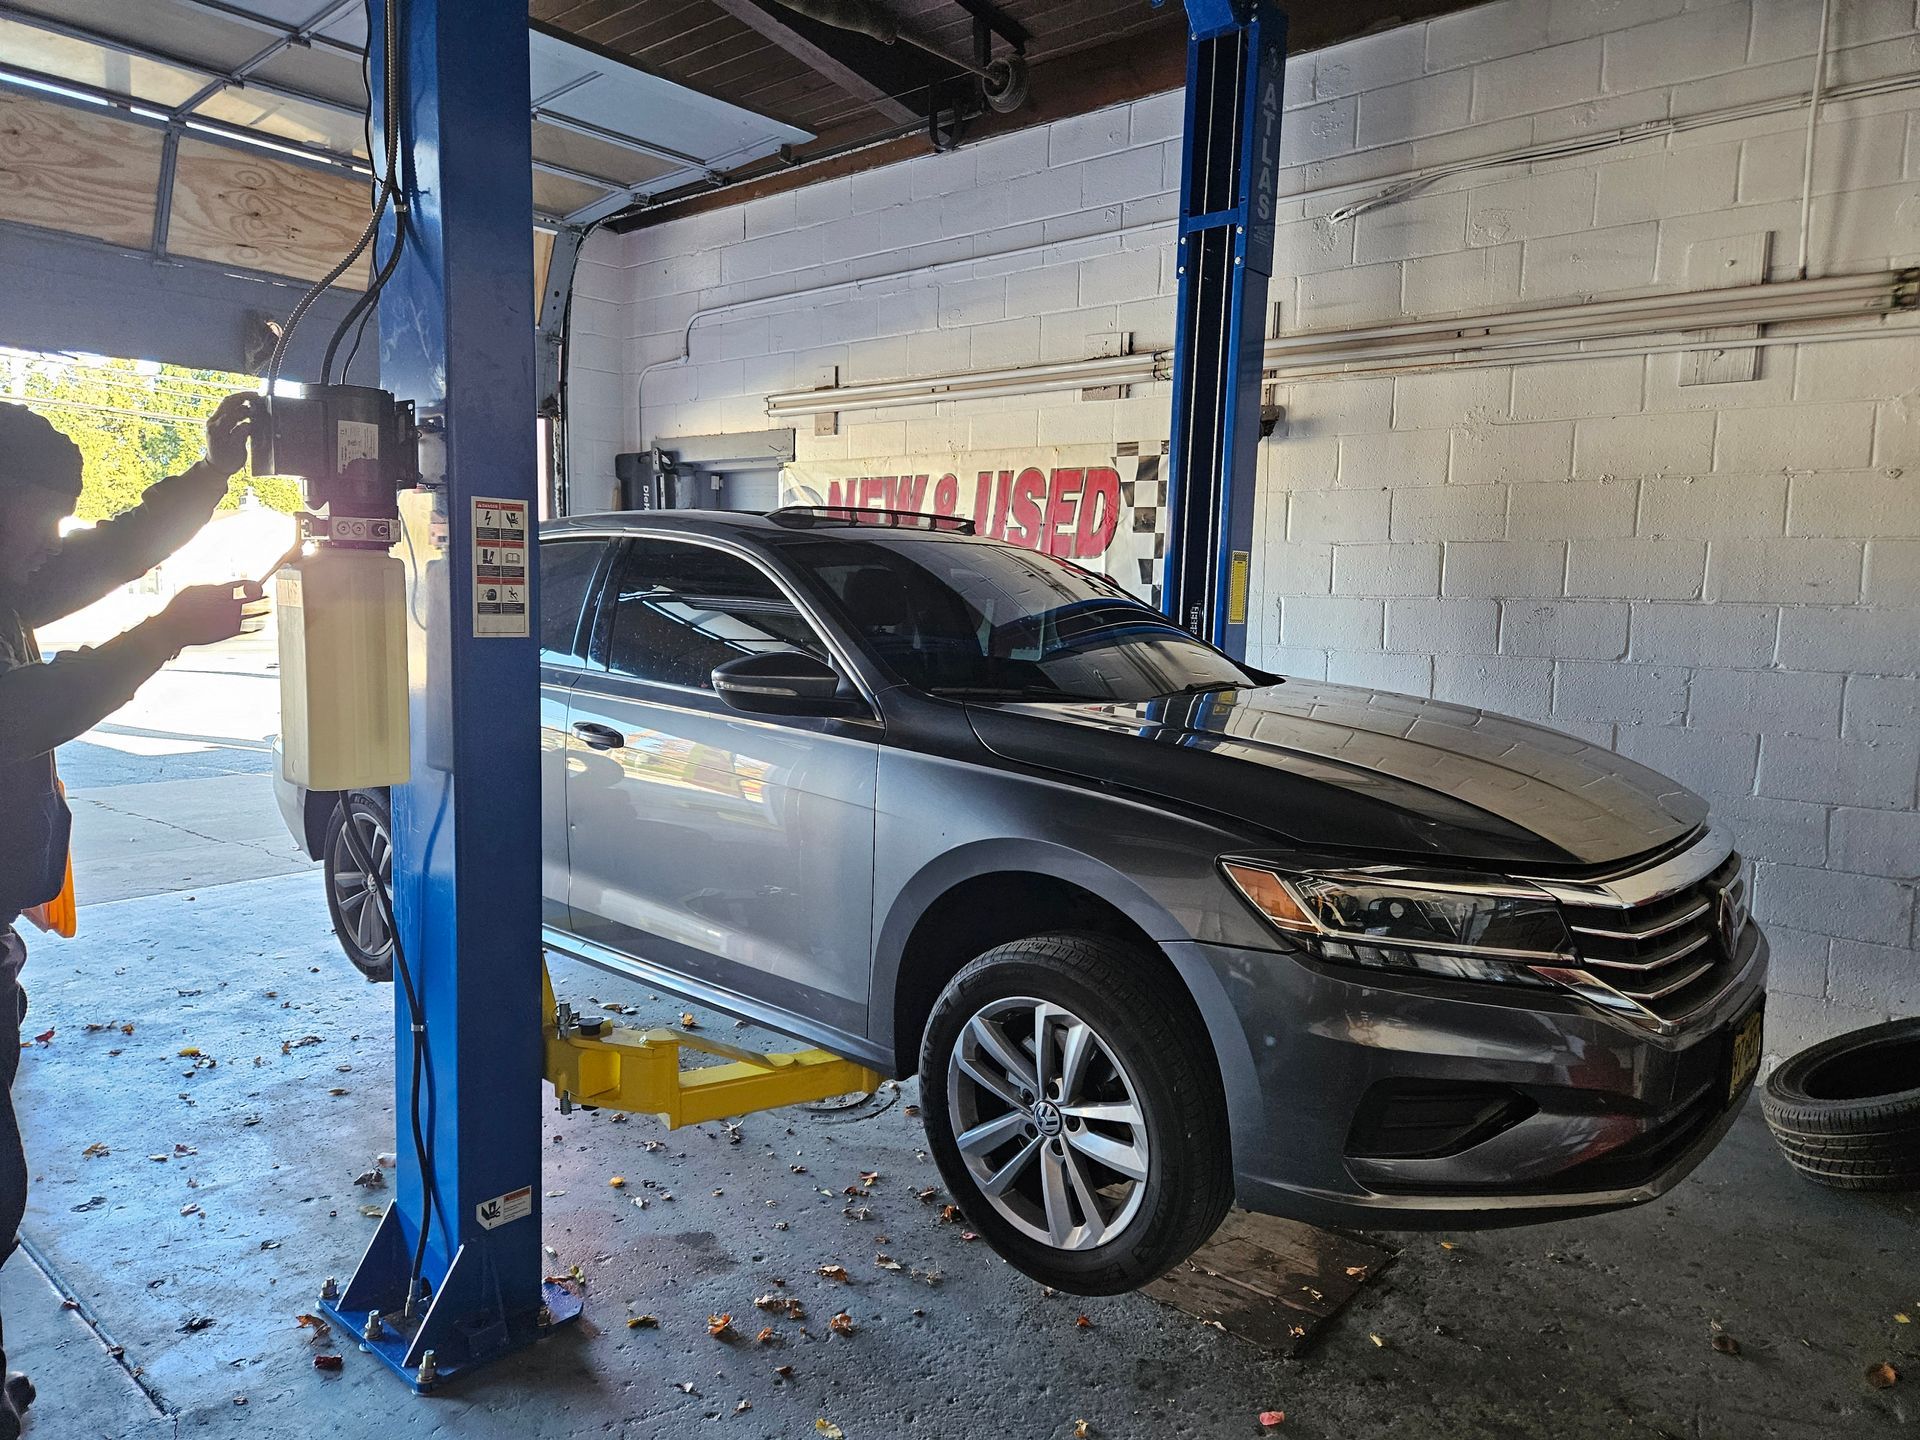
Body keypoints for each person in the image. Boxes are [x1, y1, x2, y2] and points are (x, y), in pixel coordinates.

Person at [0, 394, 262, 1438]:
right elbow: (24, 710)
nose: (49, 547)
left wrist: (208, 477)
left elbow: (109, 555)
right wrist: (162, 634)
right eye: (35, 520)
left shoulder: (9, 573)